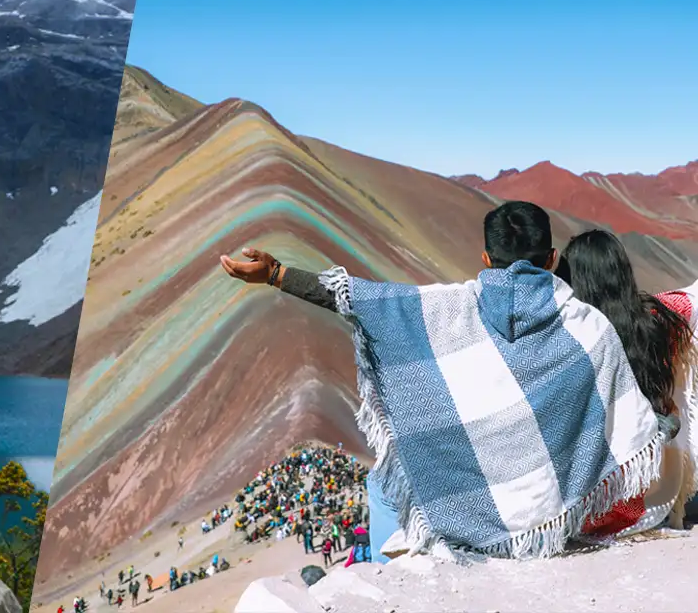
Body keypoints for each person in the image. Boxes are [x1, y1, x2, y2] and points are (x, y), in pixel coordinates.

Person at [222, 201, 671, 559]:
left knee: (383, 487)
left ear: (485, 258)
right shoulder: (588, 327)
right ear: (553, 259)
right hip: (555, 517)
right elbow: (625, 423)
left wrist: (277, 274)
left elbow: (367, 300)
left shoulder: (451, 308)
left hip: (473, 514)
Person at [555, 229, 697, 536]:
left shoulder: (567, 334)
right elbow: (691, 300)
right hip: (651, 490)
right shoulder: (657, 321)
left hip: (587, 498)